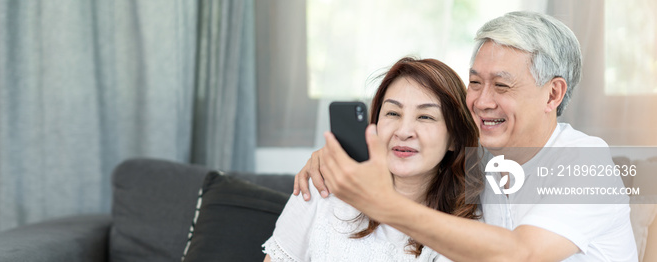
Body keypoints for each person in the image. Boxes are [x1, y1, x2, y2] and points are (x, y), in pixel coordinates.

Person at [294, 11, 638, 261]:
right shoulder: (478, 159)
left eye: (502, 85)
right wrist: (331, 159)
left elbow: (519, 253)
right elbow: (417, 156)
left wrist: (386, 204)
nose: (482, 101)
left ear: (552, 95)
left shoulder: (587, 163)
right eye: (475, 82)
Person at [263, 57, 483, 261]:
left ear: (454, 139)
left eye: (425, 116)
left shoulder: (472, 223)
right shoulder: (321, 189)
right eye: (393, 113)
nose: (404, 131)